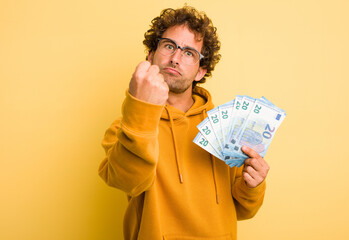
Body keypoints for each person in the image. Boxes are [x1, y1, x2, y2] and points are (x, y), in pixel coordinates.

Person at [98, 5, 269, 240]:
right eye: (169, 46)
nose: (175, 58)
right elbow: (128, 182)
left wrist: (253, 185)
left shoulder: (226, 128)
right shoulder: (126, 126)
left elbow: (243, 209)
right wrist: (141, 109)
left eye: (189, 52)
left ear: (201, 71)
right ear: (151, 55)